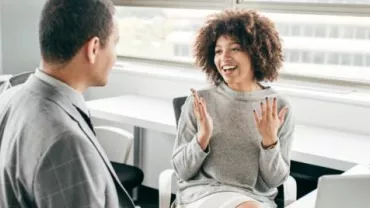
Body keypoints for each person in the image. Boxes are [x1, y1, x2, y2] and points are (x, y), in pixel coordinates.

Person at [0, 0, 135, 207]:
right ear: (93, 48)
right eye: (115, 43)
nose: (115, 56)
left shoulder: (10, 97)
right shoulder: (66, 142)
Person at [171, 9, 295, 208]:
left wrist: (270, 142)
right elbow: (181, 171)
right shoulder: (200, 100)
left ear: (256, 52)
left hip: (255, 198)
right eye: (218, 51)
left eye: (235, 48)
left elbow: (275, 181)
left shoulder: (278, 107)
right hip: (203, 193)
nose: (224, 58)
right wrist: (202, 138)